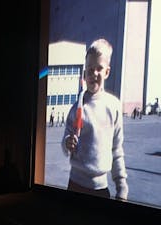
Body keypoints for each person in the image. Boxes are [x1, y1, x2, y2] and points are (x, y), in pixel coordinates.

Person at [61, 39, 128, 200]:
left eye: (99, 68)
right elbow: (65, 143)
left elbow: (117, 150)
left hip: (100, 189)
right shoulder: (77, 107)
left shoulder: (113, 106)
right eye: (90, 70)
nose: (94, 74)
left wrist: (121, 188)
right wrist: (67, 143)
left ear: (107, 72)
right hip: (75, 185)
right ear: (84, 75)